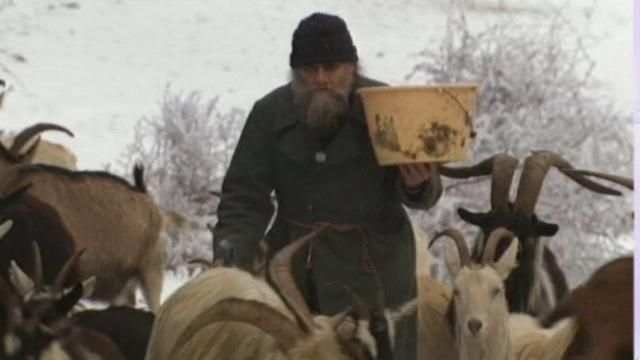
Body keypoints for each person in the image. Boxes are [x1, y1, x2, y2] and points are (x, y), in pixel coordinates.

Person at [213, 12, 442, 359]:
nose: (321, 79)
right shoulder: (269, 114)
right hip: (293, 278)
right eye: (310, 69)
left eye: (332, 68)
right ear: (295, 72)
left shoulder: (388, 108)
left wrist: (417, 183)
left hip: (375, 278)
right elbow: (243, 197)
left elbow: (424, 190)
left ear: (352, 66)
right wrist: (229, 258)